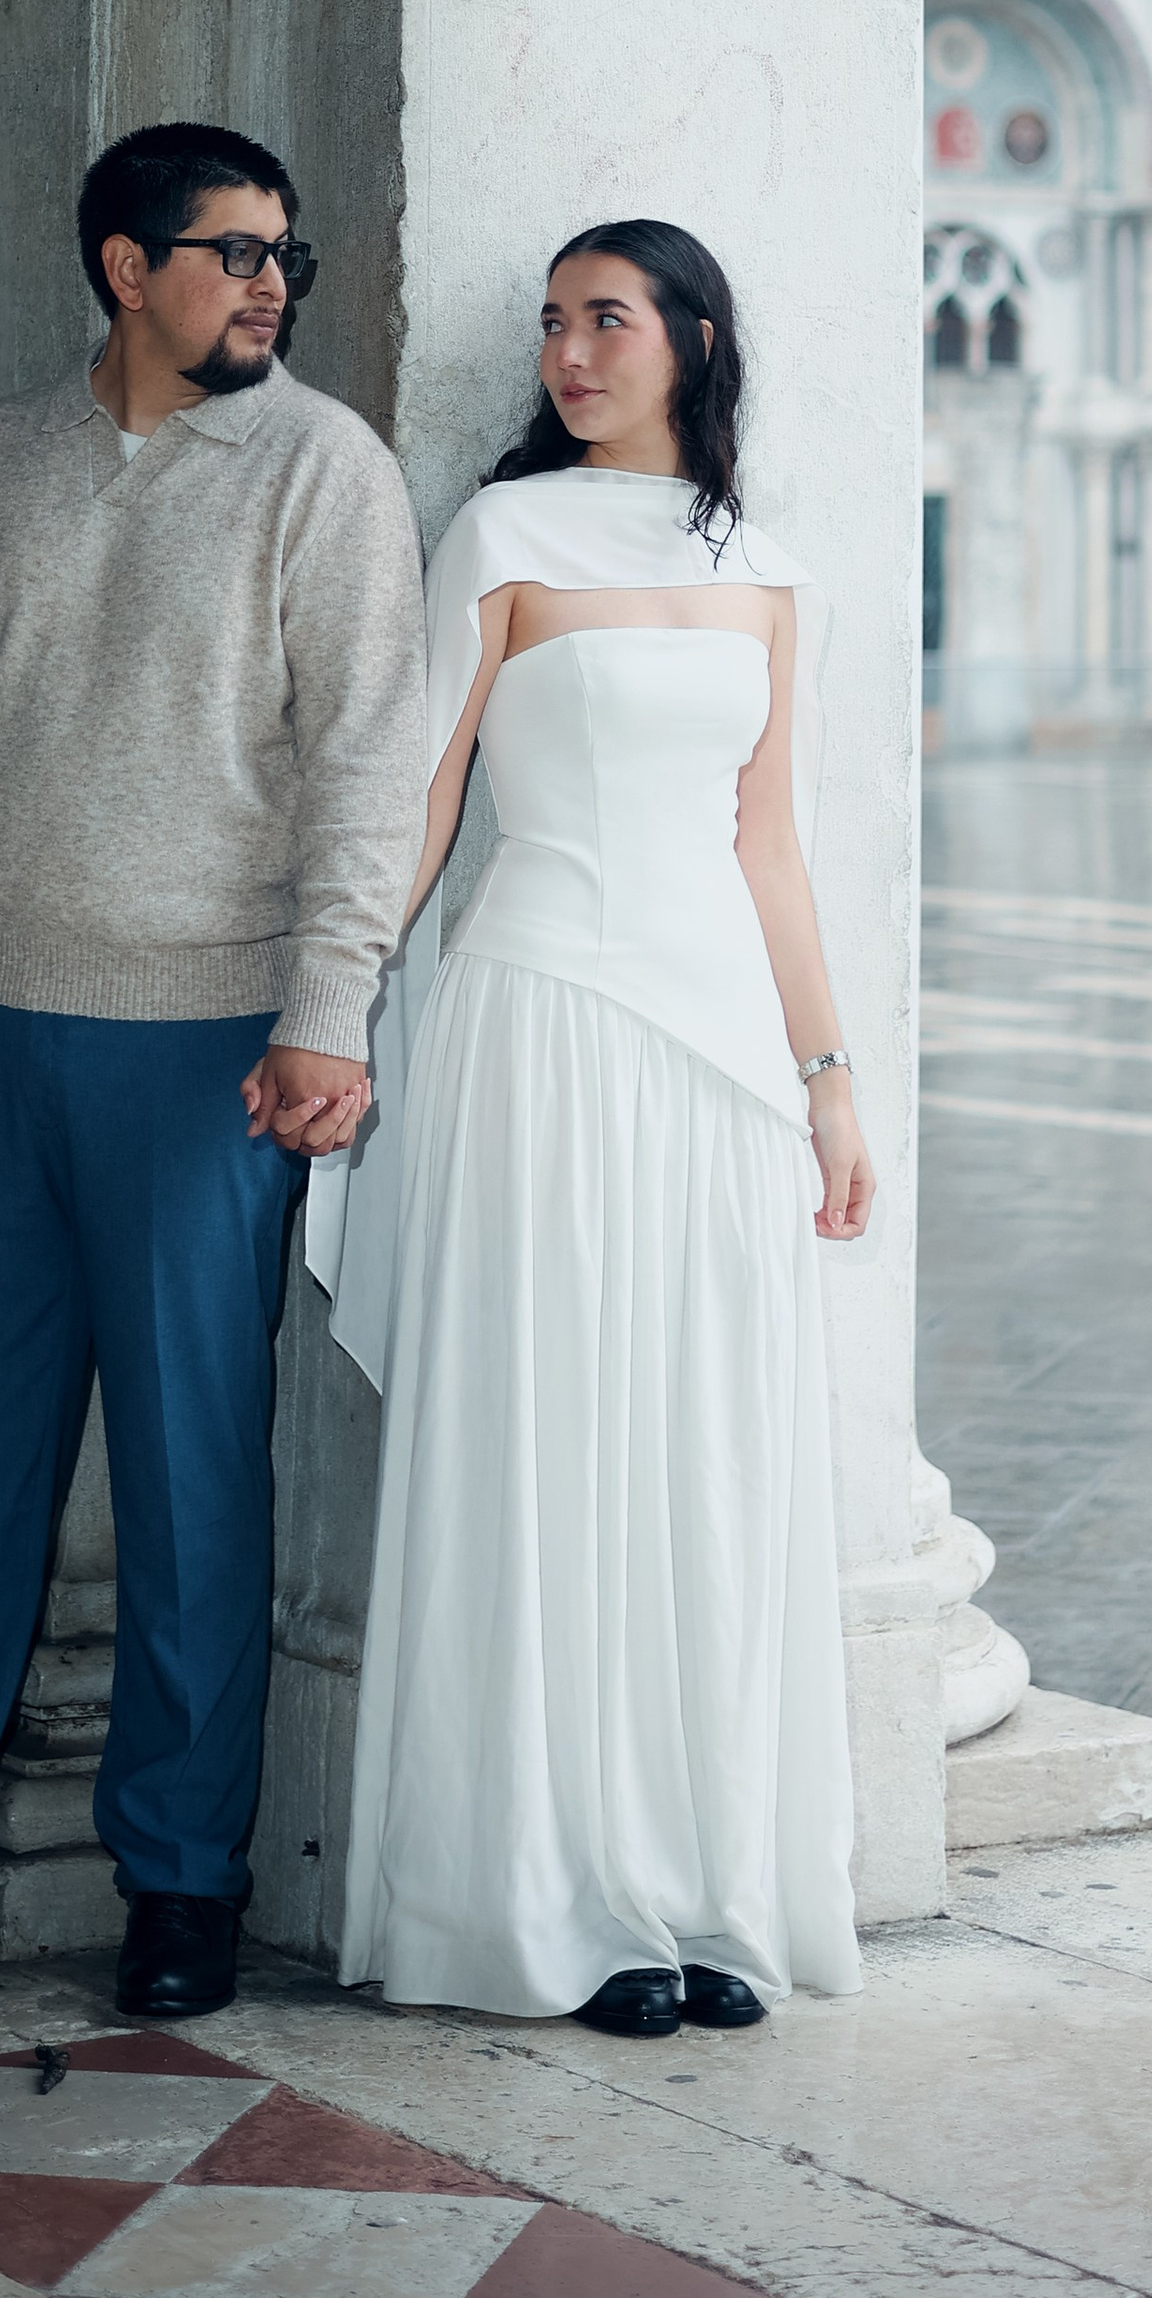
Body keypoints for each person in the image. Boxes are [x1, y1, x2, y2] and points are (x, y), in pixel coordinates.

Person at [0, 123, 428, 2016]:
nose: (272, 281)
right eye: (235, 251)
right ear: (126, 268)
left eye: (288, 251)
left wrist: (326, 1013)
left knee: (197, 1487)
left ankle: (182, 1886)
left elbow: (370, 767)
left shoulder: (324, 471)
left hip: (206, 1054)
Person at [326, 221, 872, 2034]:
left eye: (606, 319)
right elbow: (415, 803)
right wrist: (334, 1008)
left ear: (694, 340)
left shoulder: (766, 572)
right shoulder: (499, 534)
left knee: (698, 1468)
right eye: (555, 323)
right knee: (546, 1453)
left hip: (718, 1062)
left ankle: (705, 1893)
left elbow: (770, 844)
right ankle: (546, 1907)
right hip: (537, 1027)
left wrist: (830, 1078)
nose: (569, 351)